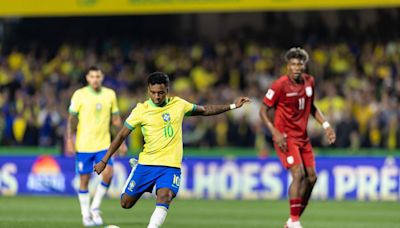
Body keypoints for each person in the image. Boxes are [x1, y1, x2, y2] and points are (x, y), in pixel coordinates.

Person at [94, 72, 250, 228]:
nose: (156, 96)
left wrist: (233, 106)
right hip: (147, 163)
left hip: (170, 166)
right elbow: (121, 135)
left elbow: (205, 110)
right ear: (148, 90)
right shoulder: (141, 110)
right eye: (153, 92)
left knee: (165, 196)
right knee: (125, 203)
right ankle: (136, 168)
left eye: (160, 93)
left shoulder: (178, 104)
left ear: (167, 90)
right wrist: (104, 160)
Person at [259, 48, 336, 228]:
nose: (296, 67)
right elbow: (263, 111)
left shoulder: (310, 82)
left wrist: (326, 125)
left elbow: (311, 107)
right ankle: (294, 221)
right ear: (288, 66)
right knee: (298, 174)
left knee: (312, 178)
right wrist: (275, 132)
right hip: (285, 138)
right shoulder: (279, 85)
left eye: (300, 64)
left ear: (304, 66)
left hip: (303, 138)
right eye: (293, 64)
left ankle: (292, 220)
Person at [67, 66, 127, 227]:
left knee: (108, 174)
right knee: (84, 180)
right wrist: (68, 139)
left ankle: (95, 207)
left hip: (104, 144)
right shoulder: (79, 94)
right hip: (84, 145)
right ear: (87, 78)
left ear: (102, 77)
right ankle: (85, 214)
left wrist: (121, 142)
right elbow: (72, 119)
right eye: (92, 76)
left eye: (98, 76)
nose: (95, 79)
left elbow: (115, 120)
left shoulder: (110, 94)